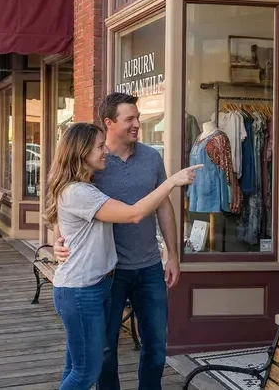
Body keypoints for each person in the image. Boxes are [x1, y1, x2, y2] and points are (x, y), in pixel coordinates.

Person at [45, 122, 200, 390]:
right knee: (86, 371)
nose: (103, 151)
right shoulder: (81, 191)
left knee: (76, 367)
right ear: (81, 152)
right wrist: (172, 181)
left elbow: (66, 221)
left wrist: (60, 238)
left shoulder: (82, 185)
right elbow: (134, 214)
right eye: (98, 147)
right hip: (82, 289)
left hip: (94, 283)